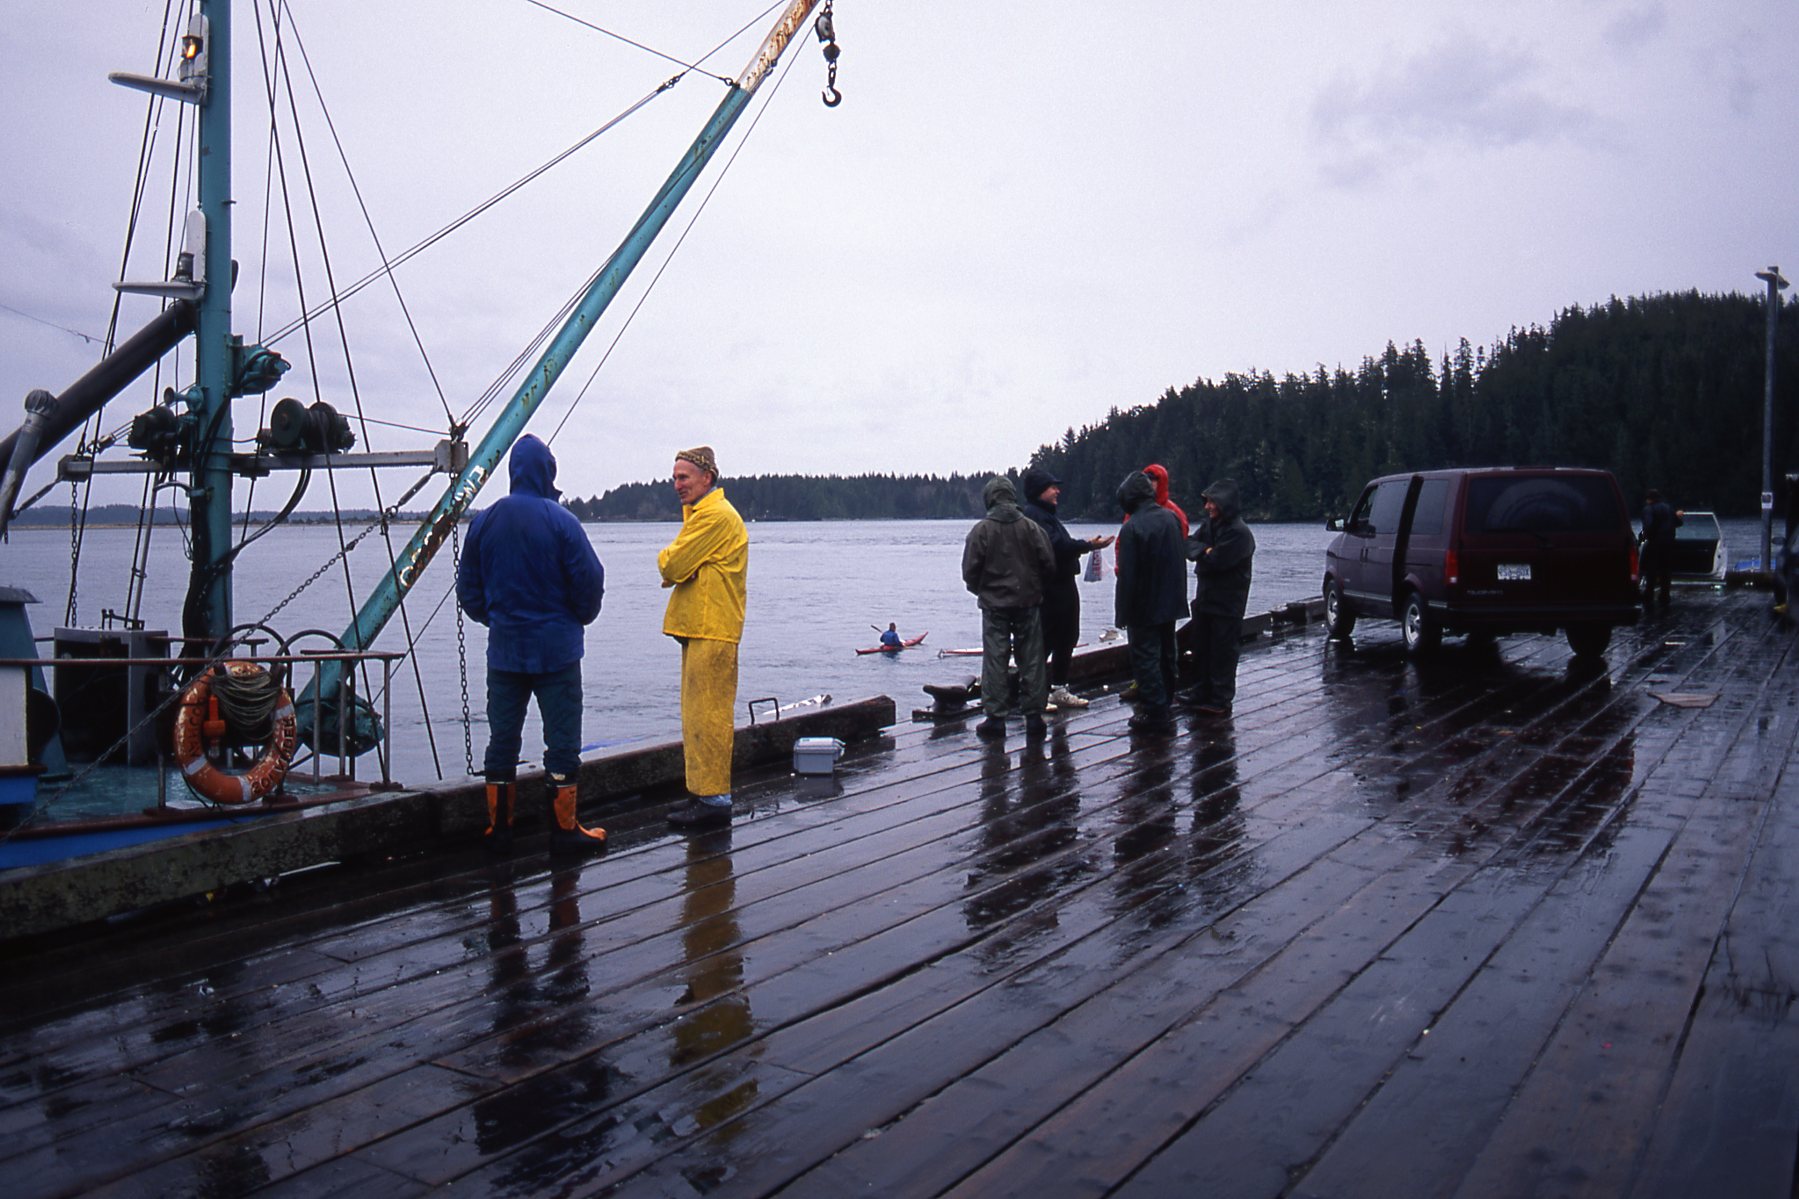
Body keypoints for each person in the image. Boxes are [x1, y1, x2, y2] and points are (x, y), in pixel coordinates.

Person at [455, 434, 608, 855]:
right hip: (557, 652)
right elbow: (590, 584)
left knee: (502, 740)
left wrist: (498, 619)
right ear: (547, 471)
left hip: (505, 651)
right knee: (561, 742)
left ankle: (499, 831)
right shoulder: (562, 521)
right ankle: (563, 832)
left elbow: (468, 591)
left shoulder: (484, 521)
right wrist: (574, 619)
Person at [659, 445, 749, 830]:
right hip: (701, 627)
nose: (677, 484)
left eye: (684, 478)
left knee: (710, 717)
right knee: (696, 715)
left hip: (714, 629)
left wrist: (673, 562)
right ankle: (702, 793)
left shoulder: (714, 516)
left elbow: (672, 563)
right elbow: (680, 564)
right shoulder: (702, 515)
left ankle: (714, 800)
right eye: (675, 478)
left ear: (707, 478)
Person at [962, 475, 1055, 740]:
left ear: (990, 498)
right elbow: (1048, 564)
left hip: (994, 607)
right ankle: (1034, 717)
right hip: (1028, 602)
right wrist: (1035, 588)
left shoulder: (981, 531)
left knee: (995, 659)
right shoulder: (1032, 528)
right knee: (1033, 659)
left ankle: (995, 719)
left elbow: (970, 571)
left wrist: (983, 591)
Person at [1020, 466, 1115, 711]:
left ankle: (1059, 688)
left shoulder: (1046, 514)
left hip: (1062, 585)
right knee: (1048, 639)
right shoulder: (1035, 515)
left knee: (1067, 636)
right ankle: (1035, 693)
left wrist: (1085, 546)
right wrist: (1088, 545)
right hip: (1051, 587)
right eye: (1052, 487)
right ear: (1040, 491)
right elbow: (1057, 546)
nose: (1057, 491)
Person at [1114, 470, 1188, 733]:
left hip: (1143, 605)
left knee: (1145, 657)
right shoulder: (1170, 518)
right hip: (1170, 600)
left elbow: (1128, 575)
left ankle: (1155, 710)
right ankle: (1166, 701)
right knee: (1168, 653)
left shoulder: (1132, 527)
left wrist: (1122, 613)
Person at [1182, 478, 1256, 716]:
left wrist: (1203, 554)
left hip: (1228, 603)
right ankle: (1200, 691)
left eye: (1212, 502)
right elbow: (1189, 544)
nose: (1208, 507)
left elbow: (1217, 561)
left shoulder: (1240, 533)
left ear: (1224, 503)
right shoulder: (1210, 526)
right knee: (1201, 648)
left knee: (1223, 652)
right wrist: (1205, 550)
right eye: (1207, 502)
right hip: (1205, 599)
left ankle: (1221, 698)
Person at [1638, 488, 1682, 607]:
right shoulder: (1668, 508)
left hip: (1655, 543)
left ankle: (1649, 595)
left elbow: (1649, 525)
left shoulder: (1648, 509)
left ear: (1649, 499)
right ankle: (1665, 595)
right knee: (1666, 570)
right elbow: (1679, 523)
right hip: (1669, 543)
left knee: (1651, 570)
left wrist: (1643, 536)